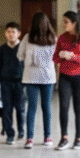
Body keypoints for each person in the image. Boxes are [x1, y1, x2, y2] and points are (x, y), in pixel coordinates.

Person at [53, 10, 80, 150]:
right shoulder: (62, 38)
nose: (63, 24)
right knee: (63, 107)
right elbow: (55, 58)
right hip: (65, 77)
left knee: (78, 108)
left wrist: (73, 56)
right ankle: (64, 138)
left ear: (74, 23)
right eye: (63, 21)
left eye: (66, 22)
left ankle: (78, 138)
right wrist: (61, 55)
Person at [18, 11, 57, 149]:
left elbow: (19, 55)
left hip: (31, 77)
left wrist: (30, 61)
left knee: (32, 108)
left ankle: (29, 139)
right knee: (46, 107)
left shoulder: (27, 38)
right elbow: (57, 58)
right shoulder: (53, 38)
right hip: (48, 77)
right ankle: (48, 137)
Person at [0, 21, 25, 144]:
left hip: (20, 83)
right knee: (6, 109)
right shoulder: (2, 49)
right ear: (5, 33)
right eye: (8, 31)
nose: (11, 34)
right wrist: (0, 81)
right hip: (5, 83)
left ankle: (21, 130)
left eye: (13, 32)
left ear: (19, 34)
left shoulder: (23, 48)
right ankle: (10, 134)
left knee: (20, 108)